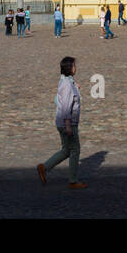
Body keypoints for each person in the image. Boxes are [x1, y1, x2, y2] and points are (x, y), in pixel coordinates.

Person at [37, 55, 85, 190]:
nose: (76, 67)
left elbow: (63, 94)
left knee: (66, 150)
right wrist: (68, 125)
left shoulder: (66, 80)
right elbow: (65, 107)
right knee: (75, 150)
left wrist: (76, 85)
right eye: (74, 65)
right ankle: (73, 180)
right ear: (70, 68)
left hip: (61, 122)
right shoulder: (67, 86)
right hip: (67, 123)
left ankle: (44, 167)